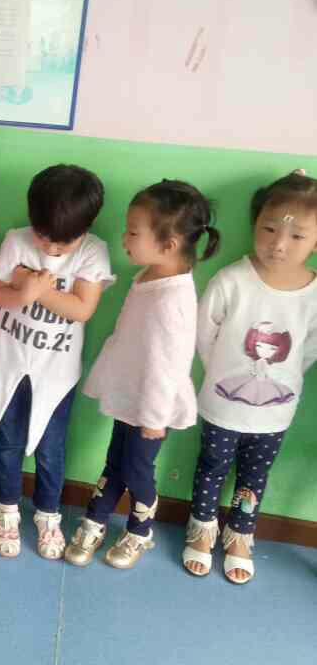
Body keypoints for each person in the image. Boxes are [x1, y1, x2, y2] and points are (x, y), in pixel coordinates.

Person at [65, 180, 220, 570]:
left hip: (153, 407)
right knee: (115, 461)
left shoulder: (174, 299)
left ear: (168, 245)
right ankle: (96, 519)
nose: (124, 238)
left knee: (137, 470)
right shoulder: (151, 275)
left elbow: (168, 367)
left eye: (133, 233)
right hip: (130, 393)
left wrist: (154, 417)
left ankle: (140, 530)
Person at [182, 170, 317, 584]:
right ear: (254, 224)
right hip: (223, 404)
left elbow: (309, 349)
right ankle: (201, 528)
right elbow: (204, 332)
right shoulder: (232, 280)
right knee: (211, 467)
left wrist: (286, 380)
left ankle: (240, 533)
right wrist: (222, 372)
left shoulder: (313, 294)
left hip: (275, 412)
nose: (279, 244)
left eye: (297, 236)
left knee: (254, 476)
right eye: (269, 229)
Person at [0, 165, 114, 559]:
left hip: (57, 371)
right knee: (8, 441)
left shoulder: (93, 252)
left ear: (85, 228)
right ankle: (6, 511)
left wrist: (35, 289)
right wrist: (23, 292)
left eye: (65, 243)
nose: (53, 250)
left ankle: (47, 514)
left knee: (50, 447)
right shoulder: (17, 241)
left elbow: (82, 309)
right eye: (45, 238)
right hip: (13, 361)